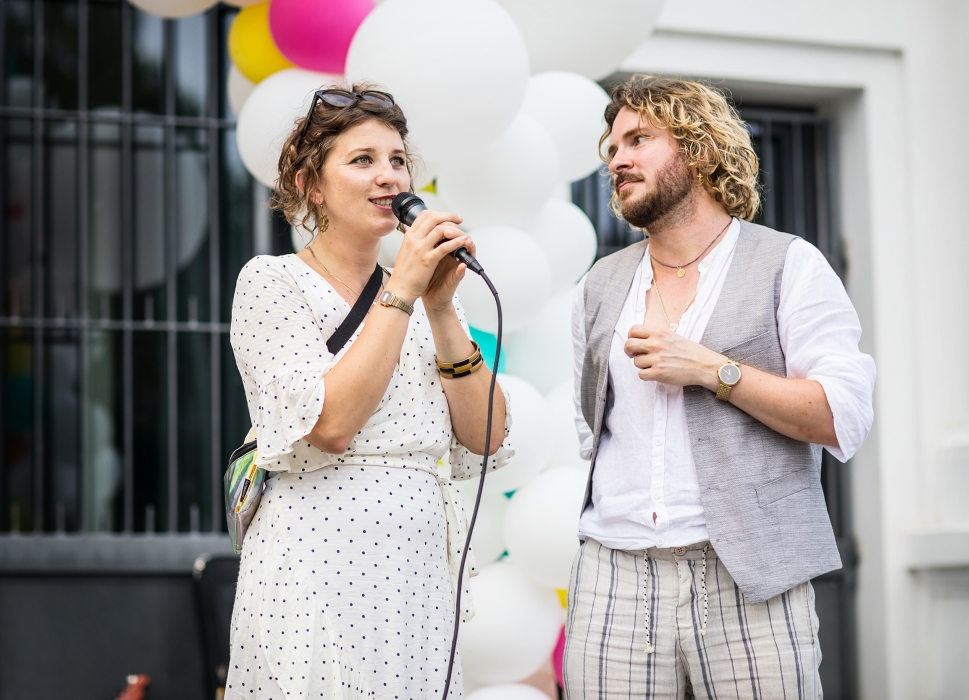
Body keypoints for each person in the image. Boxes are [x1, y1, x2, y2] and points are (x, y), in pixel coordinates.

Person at [564, 75, 876, 699]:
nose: (617, 159)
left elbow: (843, 416)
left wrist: (714, 370)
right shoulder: (599, 285)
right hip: (614, 575)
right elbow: (587, 429)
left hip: (750, 574)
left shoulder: (791, 263)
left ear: (700, 148)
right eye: (613, 147)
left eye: (639, 139)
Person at [225, 84, 511, 700]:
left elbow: (486, 435)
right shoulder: (272, 283)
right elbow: (331, 426)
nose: (389, 176)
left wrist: (439, 309)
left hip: (416, 573)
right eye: (362, 160)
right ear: (311, 185)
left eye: (398, 159)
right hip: (314, 567)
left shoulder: (422, 292)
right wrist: (403, 291)